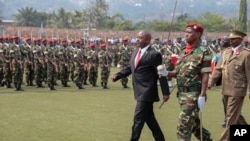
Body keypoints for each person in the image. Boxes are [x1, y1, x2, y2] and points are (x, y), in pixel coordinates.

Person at [111, 30, 170, 141]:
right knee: (150, 119)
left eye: (140, 37)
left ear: (147, 40)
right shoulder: (135, 52)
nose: (137, 39)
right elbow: (130, 68)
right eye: (137, 37)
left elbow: (161, 73)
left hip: (147, 92)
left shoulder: (154, 54)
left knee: (138, 120)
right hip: (138, 91)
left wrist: (165, 92)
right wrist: (118, 75)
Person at [158, 23, 213, 141]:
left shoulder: (203, 52)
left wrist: (202, 95)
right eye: (185, 32)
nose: (186, 35)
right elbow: (178, 72)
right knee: (193, 125)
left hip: (193, 95)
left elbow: (205, 75)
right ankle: (207, 139)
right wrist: (166, 73)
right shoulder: (183, 51)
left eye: (189, 33)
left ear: (198, 34)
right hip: (182, 94)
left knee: (183, 127)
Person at [208, 30, 250, 141]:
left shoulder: (246, 54)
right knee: (236, 115)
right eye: (230, 39)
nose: (230, 41)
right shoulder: (226, 52)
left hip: (237, 90)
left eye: (233, 39)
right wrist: (211, 81)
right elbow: (218, 69)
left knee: (230, 118)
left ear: (240, 40)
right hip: (226, 89)